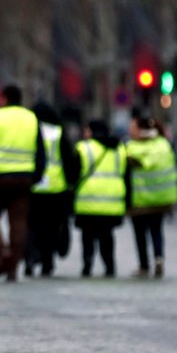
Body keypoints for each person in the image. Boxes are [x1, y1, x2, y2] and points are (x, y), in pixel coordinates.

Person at [0, 84, 46, 282]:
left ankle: (3, 251)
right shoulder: (32, 119)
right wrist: (37, 174)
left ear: (4, 98)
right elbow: (40, 150)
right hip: (24, 177)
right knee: (18, 221)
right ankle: (13, 267)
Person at [24, 101, 78, 277]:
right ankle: (47, 262)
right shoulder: (58, 133)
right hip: (56, 188)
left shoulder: (30, 131)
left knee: (32, 226)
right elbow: (68, 160)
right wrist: (71, 183)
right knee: (51, 228)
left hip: (34, 186)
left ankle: (30, 258)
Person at [125, 113, 177, 278]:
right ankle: (159, 257)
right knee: (157, 230)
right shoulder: (163, 144)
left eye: (133, 127)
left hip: (140, 200)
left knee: (140, 233)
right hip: (161, 199)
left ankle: (144, 265)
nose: (130, 130)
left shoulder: (132, 148)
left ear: (140, 129)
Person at [73, 118, 128, 277]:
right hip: (112, 202)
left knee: (87, 236)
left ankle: (87, 264)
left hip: (87, 201)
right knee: (107, 236)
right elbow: (126, 175)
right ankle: (110, 265)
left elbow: (74, 173)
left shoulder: (84, 148)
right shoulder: (119, 149)